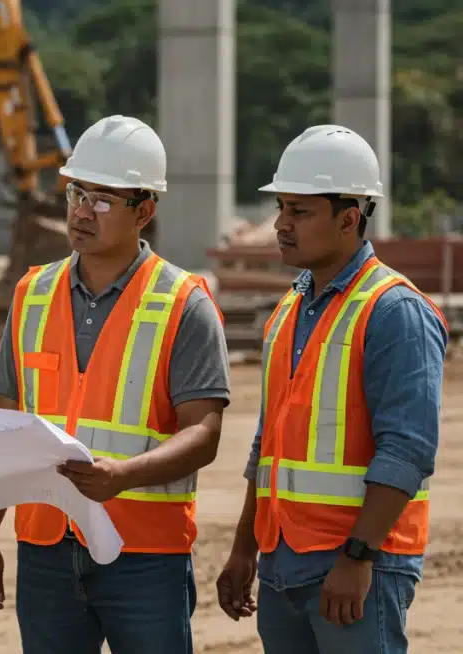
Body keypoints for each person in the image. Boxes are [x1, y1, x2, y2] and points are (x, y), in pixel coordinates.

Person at [0, 114, 232, 654]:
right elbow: (4, 426)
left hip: (145, 555)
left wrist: (125, 475)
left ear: (145, 211)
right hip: (45, 548)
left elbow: (203, 431)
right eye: (76, 193)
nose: (83, 211)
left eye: (104, 200)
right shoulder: (32, 294)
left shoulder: (184, 304)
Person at [216, 125, 447, 653]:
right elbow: (268, 444)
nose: (280, 224)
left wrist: (358, 558)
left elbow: (407, 449)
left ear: (349, 218)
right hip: (283, 563)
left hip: (357, 570)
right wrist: (244, 547)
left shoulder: (395, 311)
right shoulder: (292, 308)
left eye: (299, 211)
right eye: (281, 208)